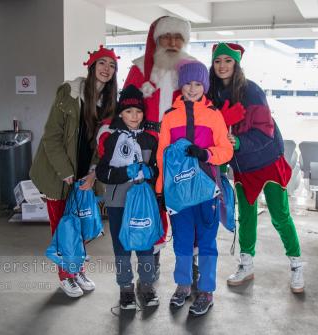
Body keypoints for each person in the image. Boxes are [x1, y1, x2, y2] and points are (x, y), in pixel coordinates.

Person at [206, 43, 305, 293]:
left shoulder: (252, 91)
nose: (222, 66)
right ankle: (246, 264)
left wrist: (238, 142)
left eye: (228, 61)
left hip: (267, 162)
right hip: (243, 168)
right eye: (218, 61)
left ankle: (296, 265)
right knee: (246, 217)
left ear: (236, 64)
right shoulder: (212, 94)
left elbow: (266, 131)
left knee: (280, 215)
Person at [29, 45, 119, 298]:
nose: (106, 69)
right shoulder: (69, 92)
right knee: (64, 227)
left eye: (111, 66)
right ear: (91, 67)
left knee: (83, 226)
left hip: (84, 176)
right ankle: (65, 276)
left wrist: (93, 173)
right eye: (102, 63)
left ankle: (76, 269)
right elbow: (51, 136)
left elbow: (103, 145)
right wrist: (66, 172)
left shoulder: (110, 103)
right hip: (59, 175)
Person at [155, 60, 233, 316]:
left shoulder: (214, 115)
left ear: (205, 86)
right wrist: (160, 189)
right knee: (183, 242)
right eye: (188, 83)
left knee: (208, 243)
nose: (192, 88)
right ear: (181, 84)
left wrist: (206, 154)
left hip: (206, 190)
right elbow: (161, 156)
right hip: (178, 193)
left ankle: (206, 291)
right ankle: (183, 286)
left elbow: (226, 150)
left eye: (198, 83)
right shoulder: (169, 116)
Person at [119, 15, 196, 264]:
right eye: (167, 36)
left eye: (178, 37)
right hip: (147, 144)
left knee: (186, 200)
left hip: (182, 145)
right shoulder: (139, 68)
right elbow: (124, 108)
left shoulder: (192, 68)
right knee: (153, 198)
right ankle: (152, 256)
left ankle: (190, 262)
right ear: (157, 39)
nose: (172, 42)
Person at [95, 85, 160, 310]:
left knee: (146, 245)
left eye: (139, 112)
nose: (135, 116)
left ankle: (148, 285)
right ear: (121, 113)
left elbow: (156, 169)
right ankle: (125, 288)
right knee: (121, 246)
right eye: (129, 111)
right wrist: (125, 173)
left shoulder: (150, 140)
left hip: (143, 203)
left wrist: (152, 174)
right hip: (118, 202)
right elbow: (102, 173)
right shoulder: (112, 139)